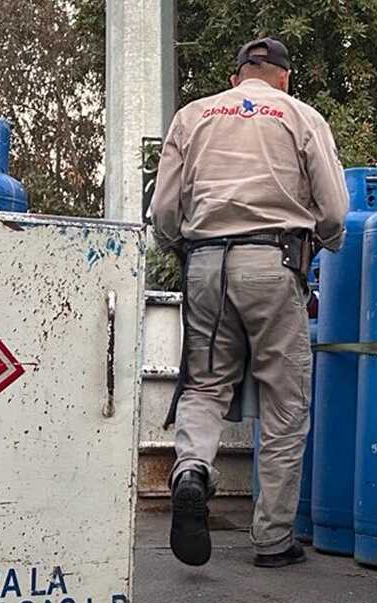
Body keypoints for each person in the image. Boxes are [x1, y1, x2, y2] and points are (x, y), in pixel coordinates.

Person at [150, 37, 350, 569]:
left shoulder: (192, 116)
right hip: (273, 262)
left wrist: (183, 245)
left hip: (206, 265)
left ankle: (191, 469)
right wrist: (327, 241)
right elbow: (333, 211)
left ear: (238, 75)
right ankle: (273, 540)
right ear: (283, 76)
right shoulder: (300, 115)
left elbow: (164, 211)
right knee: (285, 403)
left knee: (206, 383)